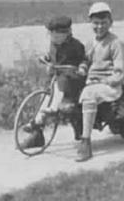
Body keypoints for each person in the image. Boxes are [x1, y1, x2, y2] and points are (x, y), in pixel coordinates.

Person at [20, 15, 87, 148]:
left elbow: (83, 59)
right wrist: (45, 58)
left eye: (57, 36)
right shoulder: (54, 43)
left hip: (72, 80)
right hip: (56, 77)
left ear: (67, 33)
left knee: (60, 86)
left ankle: (54, 107)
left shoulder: (76, 46)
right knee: (46, 96)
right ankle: (36, 122)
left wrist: (82, 67)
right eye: (51, 36)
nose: (54, 39)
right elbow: (51, 55)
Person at [76, 2, 124, 162]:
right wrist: (82, 68)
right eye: (96, 23)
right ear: (90, 23)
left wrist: (103, 80)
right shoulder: (91, 43)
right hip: (92, 83)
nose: (99, 27)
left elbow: (119, 73)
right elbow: (86, 60)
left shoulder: (116, 43)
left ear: (110, 23)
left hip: (110, 86)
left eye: (104, 23)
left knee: (89, 94)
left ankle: (85, 142)